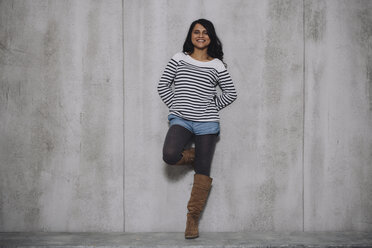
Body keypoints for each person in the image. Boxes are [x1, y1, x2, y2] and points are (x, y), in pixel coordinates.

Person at [157, 18, 237, 239]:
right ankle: (195, 155)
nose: (200, 35)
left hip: (207, 122)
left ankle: (192, 219)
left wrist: (210, 107)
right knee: (170, 154)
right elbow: (163, 84)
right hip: (181, 119)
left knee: (202, 172)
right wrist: (177, 105)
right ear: (190, 36)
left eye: (205, 32)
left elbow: (230, 93)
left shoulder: (217, 64)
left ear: (210, 37)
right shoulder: (179, 58)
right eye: (196, 32)